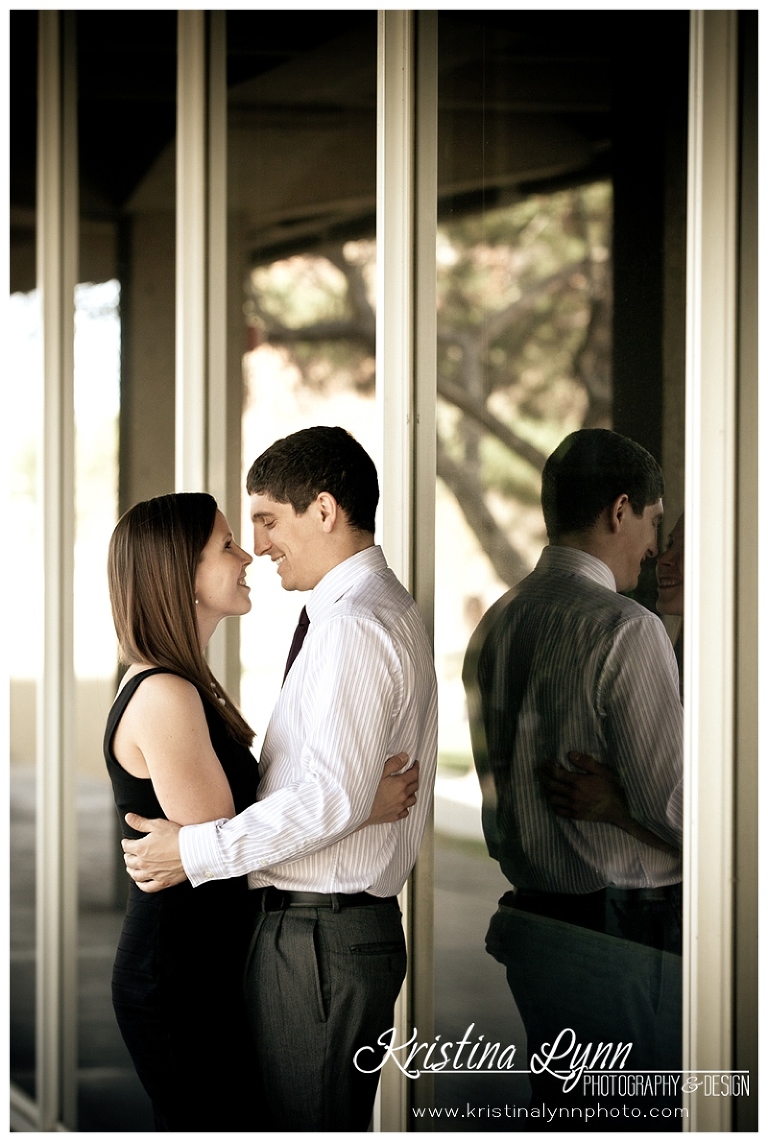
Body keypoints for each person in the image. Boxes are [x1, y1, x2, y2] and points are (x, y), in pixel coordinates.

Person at [121, 427, 438, 1131]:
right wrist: (355, 804)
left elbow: (328, 795)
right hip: (312, 938)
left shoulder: (354, 624)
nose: (257, 547)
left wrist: (193, 850)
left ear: (323, 511)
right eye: (240, 534)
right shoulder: (351, 614)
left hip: (320, 941)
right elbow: (335, 793)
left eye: (265, 521)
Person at [463, 429, 683, 1128]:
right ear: (621, 511)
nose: (653, 550)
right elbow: (675, 810)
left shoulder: (497, 623)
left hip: (535, 923)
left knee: (565, 1118)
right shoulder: (626, 629)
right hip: (621, 927)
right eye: (654, 524)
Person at [540, 513, 685, 839]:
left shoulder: (743, 673)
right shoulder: (677, 649)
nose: (663, 558)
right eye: (671, 544)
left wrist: (617, 809)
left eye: (685, 550)